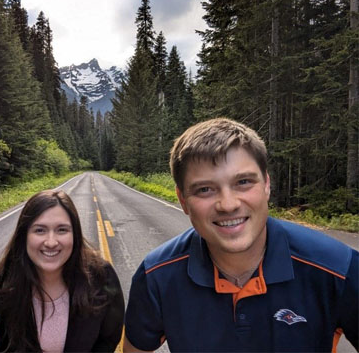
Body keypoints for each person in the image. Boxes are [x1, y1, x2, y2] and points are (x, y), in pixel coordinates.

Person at [124, 118, 358, 352]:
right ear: (183, 200)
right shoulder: (156, 277)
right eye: (205, 189)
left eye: (243, 182)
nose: (227, 204)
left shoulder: (338, 269)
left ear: (266, 185)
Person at [0, 189, 125, 352]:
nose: (51, 242)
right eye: (40, 230)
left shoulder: (102, 278)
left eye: (62, 230)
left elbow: (108, 340)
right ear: (24, 236)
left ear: (75, 235)